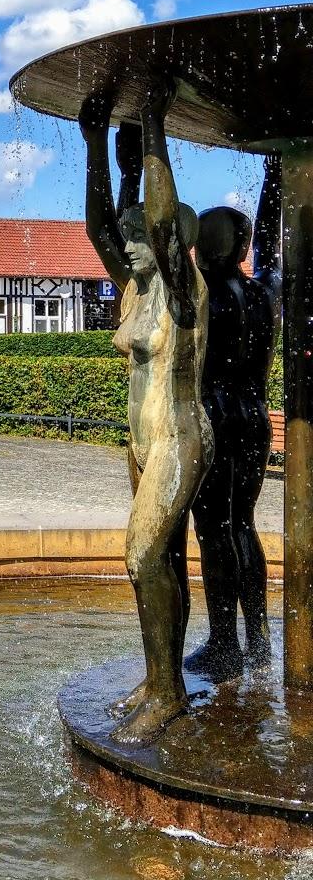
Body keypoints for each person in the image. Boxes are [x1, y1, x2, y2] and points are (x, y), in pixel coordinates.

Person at [79, 80, 213, 745]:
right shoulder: (135, 288)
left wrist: (154, 125)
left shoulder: (184, 287)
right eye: (129, 234)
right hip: (141, 441)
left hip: (180, 438)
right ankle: (162, 678)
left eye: (142, 234)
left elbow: (155, 222)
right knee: (160, 564)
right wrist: (95, 148)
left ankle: (166, 695)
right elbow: (99, 225)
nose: (128, 240)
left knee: (139, 556)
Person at [186, 158, 281, 678]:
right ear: (242, 248)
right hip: (255, 420)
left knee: (214, 529)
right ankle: (259, 639)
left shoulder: (203, 293)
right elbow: (271, 247)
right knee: (243, 524)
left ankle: (224, 642)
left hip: (215, 419)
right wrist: (272, 181)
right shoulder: (265, 293)